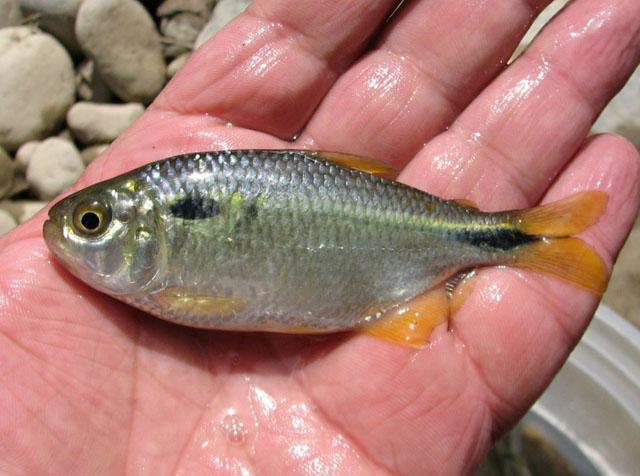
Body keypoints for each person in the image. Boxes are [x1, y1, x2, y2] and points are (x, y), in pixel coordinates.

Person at [1, 0, 638, 473]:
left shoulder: (172, 259)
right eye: (93, 222)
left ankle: (519, 241)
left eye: (91, 224)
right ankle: (522, 241)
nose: (71, 233)